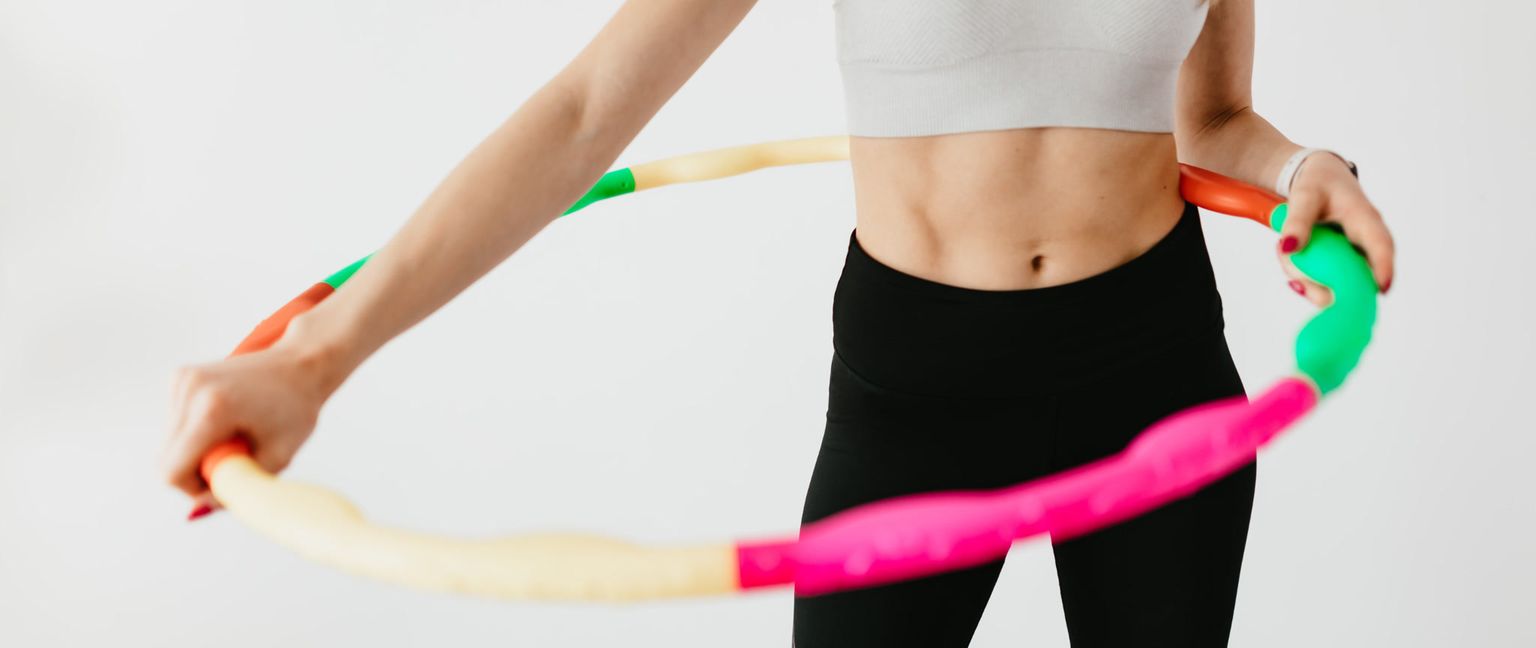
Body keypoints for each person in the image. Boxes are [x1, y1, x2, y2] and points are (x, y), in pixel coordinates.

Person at [160, 1, 1395, 645]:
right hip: (921, 386)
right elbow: (588, 111)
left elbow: (1216, 122)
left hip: (1155, 361)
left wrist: (1301, 167)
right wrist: (321, 357)